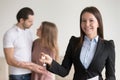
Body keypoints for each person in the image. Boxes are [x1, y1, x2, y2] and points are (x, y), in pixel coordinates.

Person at [40, 6, 116, 80]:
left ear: (98, 23)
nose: (87, 24)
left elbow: (111, 76)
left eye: (91, 20)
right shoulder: (74, 42)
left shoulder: (108, 46)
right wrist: (50, 62)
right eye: (84, 21)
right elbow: (64, 71)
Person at [3, 7, 45, 80]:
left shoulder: (30, 32)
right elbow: (9, 60)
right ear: (21, 20)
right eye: (29, 21)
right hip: (17, 75)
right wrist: (31, 66)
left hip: (32, 73)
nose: (32, 24)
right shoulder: (10, 34)